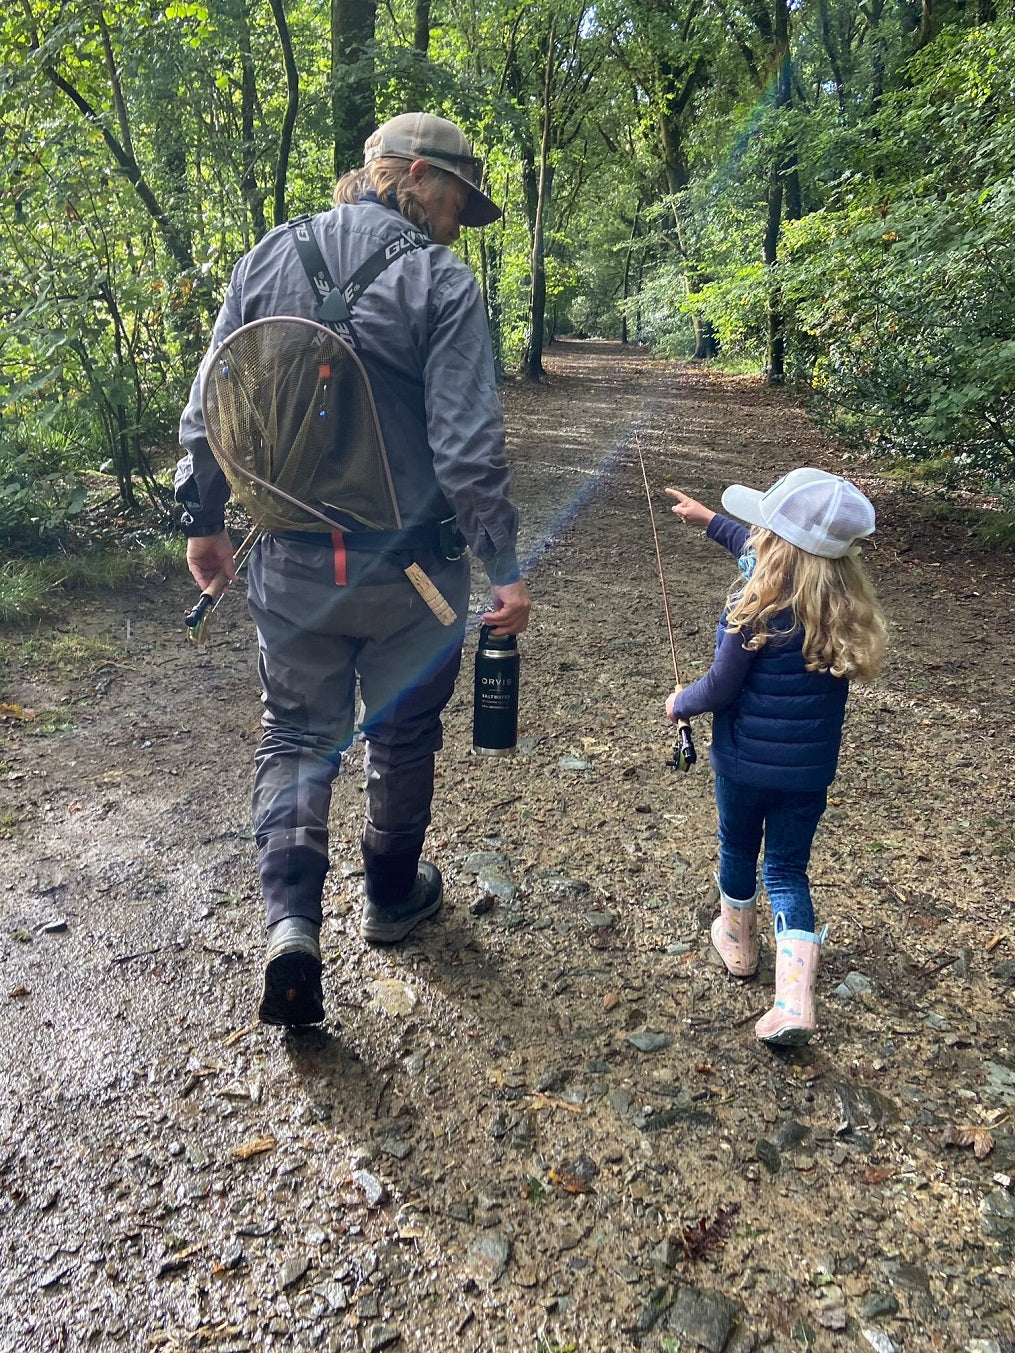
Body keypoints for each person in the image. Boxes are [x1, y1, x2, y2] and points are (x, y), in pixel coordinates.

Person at [175, 112, 531, 1028]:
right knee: (403, 735)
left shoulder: (265, 257)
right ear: (415, 177)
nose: (459, 220)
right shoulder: (439, 282)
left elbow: (212, 394)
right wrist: (503, 563)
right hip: (412, 580)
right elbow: (466, 447)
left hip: (291, 565)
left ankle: (291, 923)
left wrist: (201, 517)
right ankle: (389, 893)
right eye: (456, 199)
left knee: (294, 736)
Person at [664, 468, 886, 1045]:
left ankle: (738, 946)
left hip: (741, 765)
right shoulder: (837, 606)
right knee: (787, 870)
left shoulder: (752, 608)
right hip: (807, 775)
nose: (755, 536)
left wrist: (679, 703)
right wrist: (709, 520)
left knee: (737, 845)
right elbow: (757, 548)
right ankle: (793, 1003)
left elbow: (719, 689)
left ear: (777, 547)